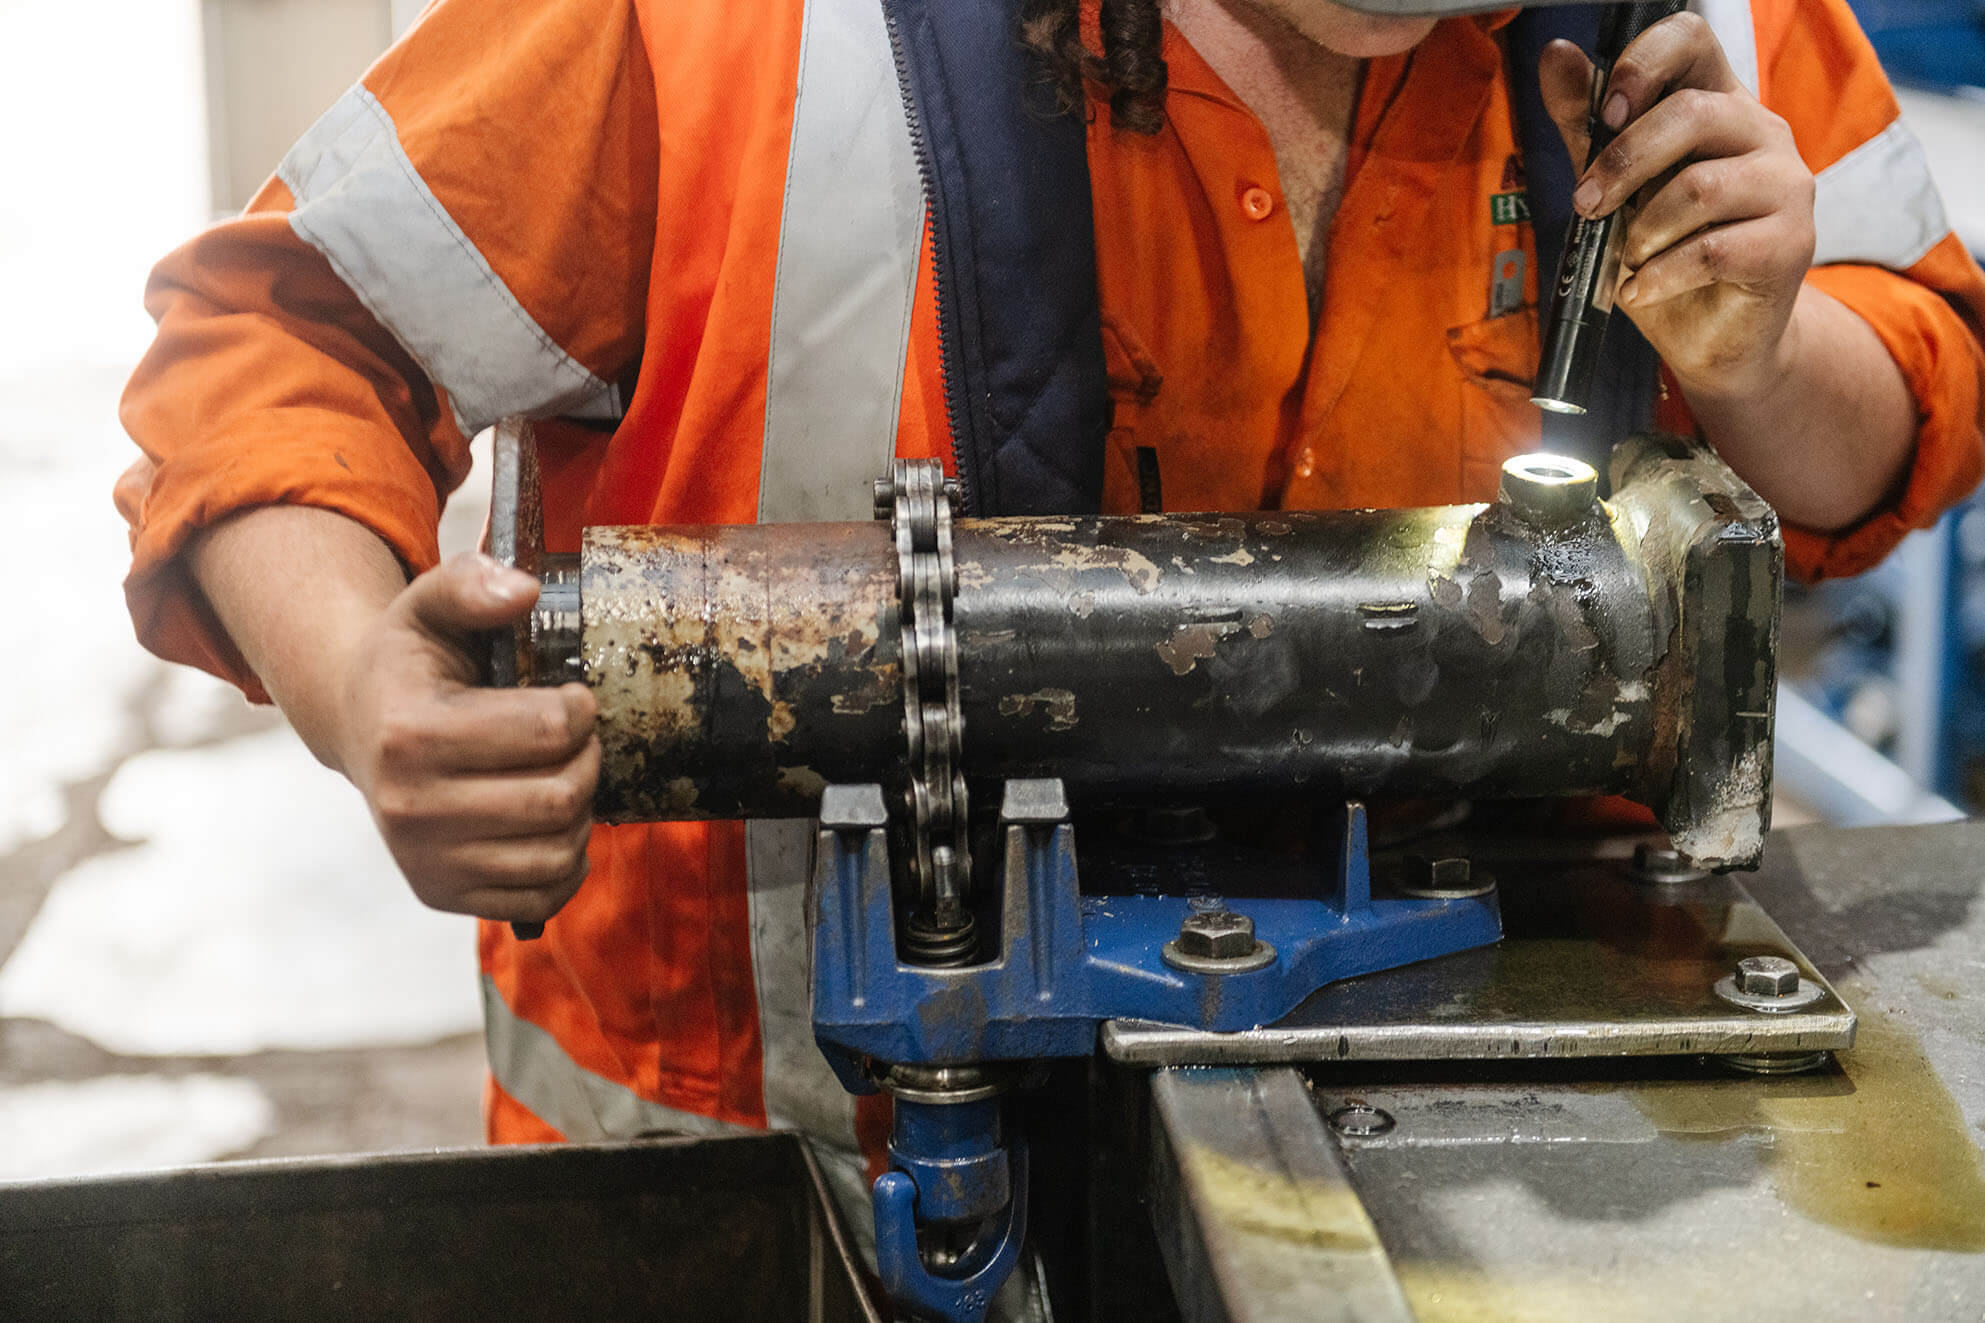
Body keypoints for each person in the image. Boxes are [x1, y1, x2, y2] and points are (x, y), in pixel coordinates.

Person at [116, 0, 1984, 1292]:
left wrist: (1764, 352)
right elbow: (281, 340)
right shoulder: (736, 35)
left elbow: (1904, 394)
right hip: (795, 1185)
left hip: (1487, 1160)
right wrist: (365, 683)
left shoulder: (1692, 22)